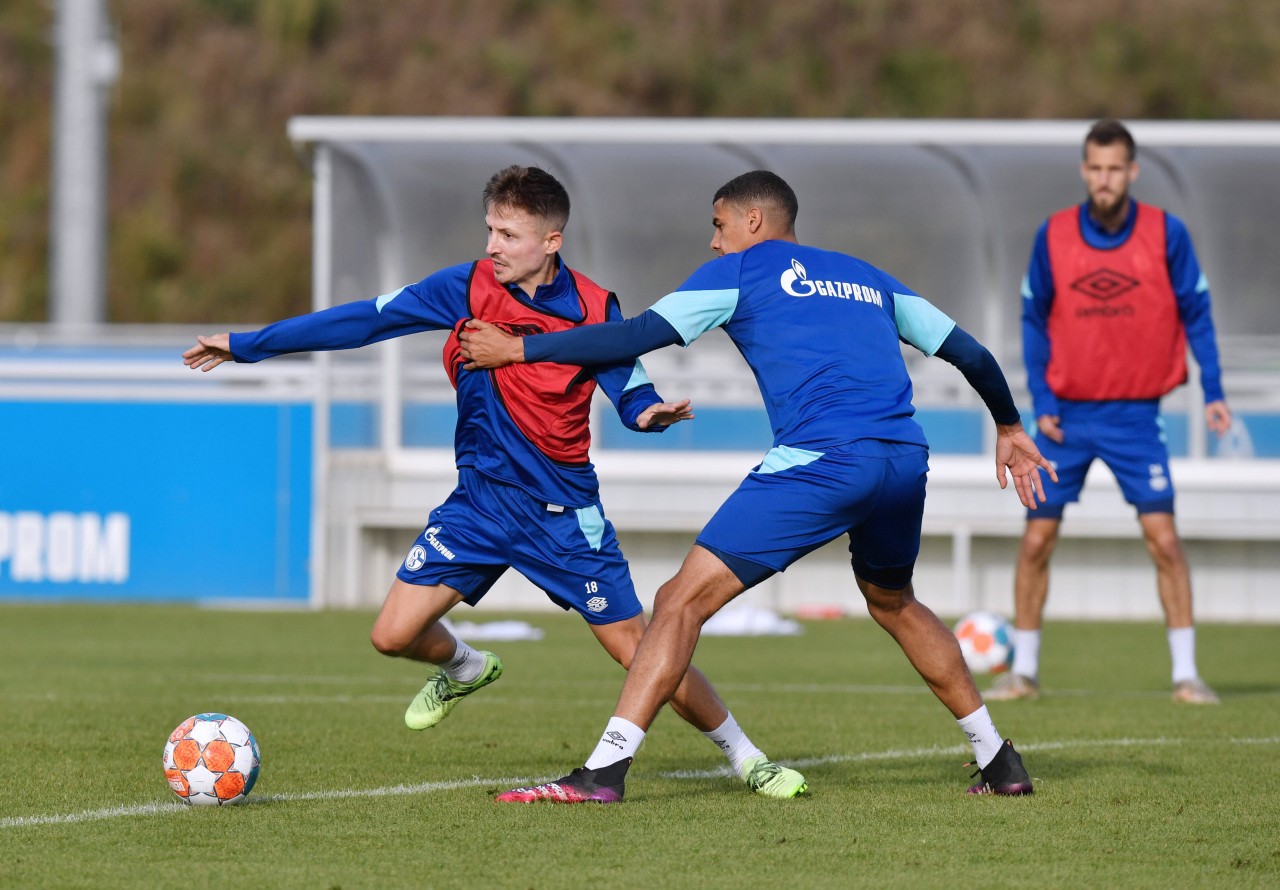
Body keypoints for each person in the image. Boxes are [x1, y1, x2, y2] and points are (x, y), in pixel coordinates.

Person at [182, 164, 807, 799]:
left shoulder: (595, 306)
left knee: (642, 652)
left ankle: (746, 758)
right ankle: (464, 666)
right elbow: (362, 321)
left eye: (509, 234)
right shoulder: (468, 286)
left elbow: (629, 387)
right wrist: (248, 344)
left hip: (561, 515)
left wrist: (651, 415)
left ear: (551, 241)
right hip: (477, 504)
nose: (493, 246)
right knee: (390, 635)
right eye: (490, 230)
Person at [459, 169, 1057, 804]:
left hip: (824, 461)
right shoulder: (866, 276)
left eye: (718, 226)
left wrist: (519, 353)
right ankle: (999, 759)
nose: (714, 243)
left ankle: (604, 772)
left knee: (677, 601)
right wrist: (1010, 425)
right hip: (903, 459)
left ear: (752, 222)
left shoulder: (740, 274)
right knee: (894, 602)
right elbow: (971, 354)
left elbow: (634, 336)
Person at [985, 120, 1230, 706]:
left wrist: (1214, 389)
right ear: (1083, 170)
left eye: (1115, 168)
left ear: (1132, 171)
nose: (1104, 178)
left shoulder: (1167, 234)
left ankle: (1186, 675)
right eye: (1095, 167)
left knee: (1164, 541)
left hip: (1136, 419)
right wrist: (1041, 403)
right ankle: (1024, 672)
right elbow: (1032, 319)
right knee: (1036, 541)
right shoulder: (1055, 235)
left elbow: (1197, 311)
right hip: (1063, 421)